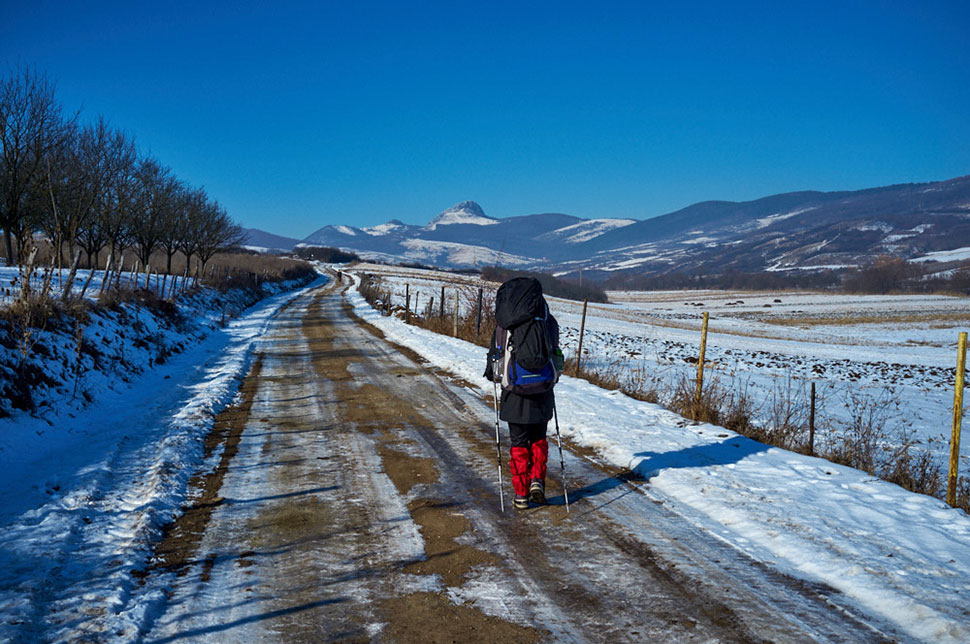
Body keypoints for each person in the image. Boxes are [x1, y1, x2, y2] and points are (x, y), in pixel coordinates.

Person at [484, 277, 561, 510]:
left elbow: (494, 363)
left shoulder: (504, 324)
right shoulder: (547, 321)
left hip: (514, 393)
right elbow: (555, 353)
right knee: (538, 438)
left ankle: (520, 495)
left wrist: (493, 376)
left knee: (518, 442)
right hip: (543, 391)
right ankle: (537, 480)